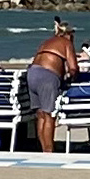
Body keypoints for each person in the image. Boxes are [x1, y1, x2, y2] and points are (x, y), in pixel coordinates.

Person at [27, 24, 78, 152]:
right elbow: (73, 68)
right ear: (68, 34)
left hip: (32, 73)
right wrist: (70, 78)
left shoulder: (47, 42)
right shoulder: (66, 43)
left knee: (41, 114)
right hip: (47, 76)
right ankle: (49, 150)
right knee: (49, 114)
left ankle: (44, 148)